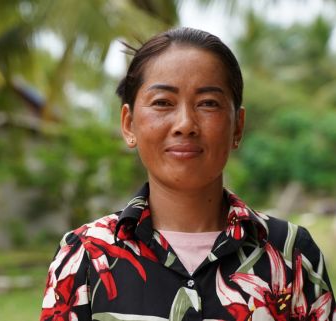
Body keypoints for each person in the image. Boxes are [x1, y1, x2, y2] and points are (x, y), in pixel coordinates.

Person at [39, 27, 335, 321]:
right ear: (129, 124)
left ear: (238, 126)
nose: (185, 124)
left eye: (208, 103)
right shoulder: (84, 256)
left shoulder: (291, 252)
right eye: (163, 103)